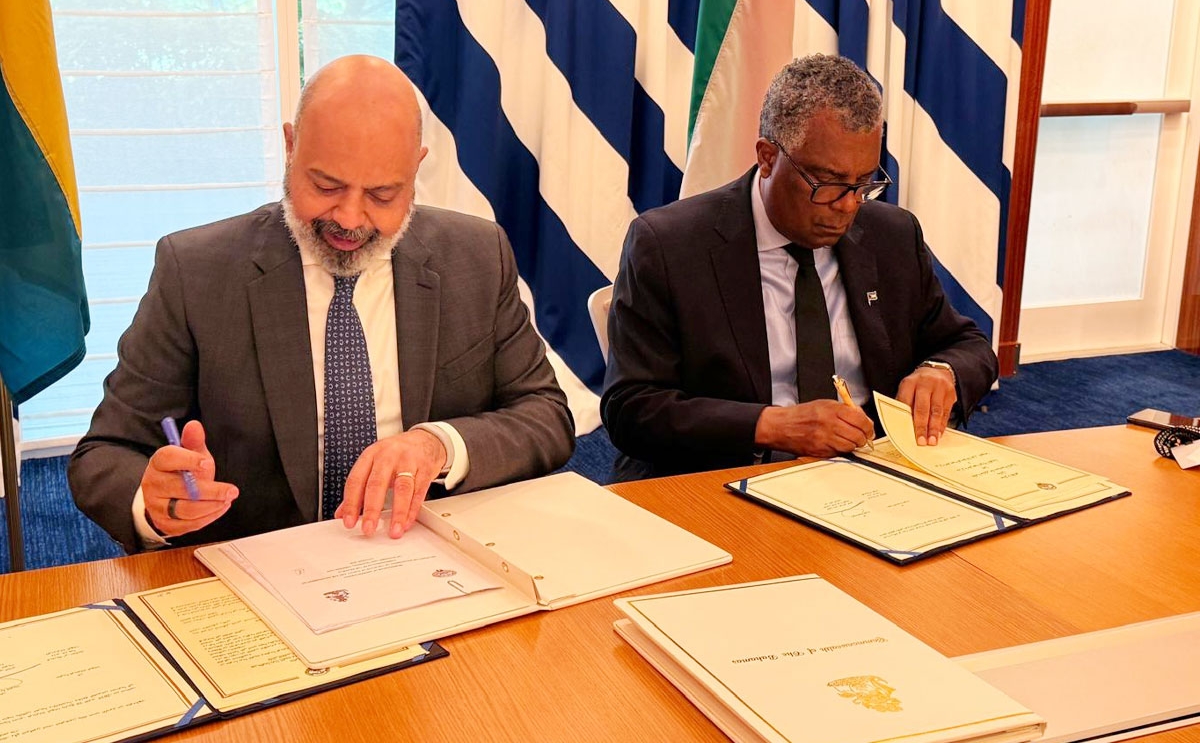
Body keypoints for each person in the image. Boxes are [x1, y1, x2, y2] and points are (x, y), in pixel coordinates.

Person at [70, 55, 574, 552]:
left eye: (382, 194)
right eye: (326, 186)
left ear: (416, 168)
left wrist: (438, 445)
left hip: (431, 555)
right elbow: (106, 452)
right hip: (264, 566)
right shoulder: (197, 271)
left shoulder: (477, 256)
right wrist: (156, 502)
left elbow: (545, 416)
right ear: (291, 147)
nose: (350, 219)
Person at [602, 54, 997, 477]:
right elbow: (632, 407)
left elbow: (969, 345)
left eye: (864, 183)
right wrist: (772, 425)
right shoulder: (670, 246)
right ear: (767, 157)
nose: (848, 206)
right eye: (828, 183)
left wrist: (941, 372)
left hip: (868, 474)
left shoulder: (892, 235)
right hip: (728, 475)